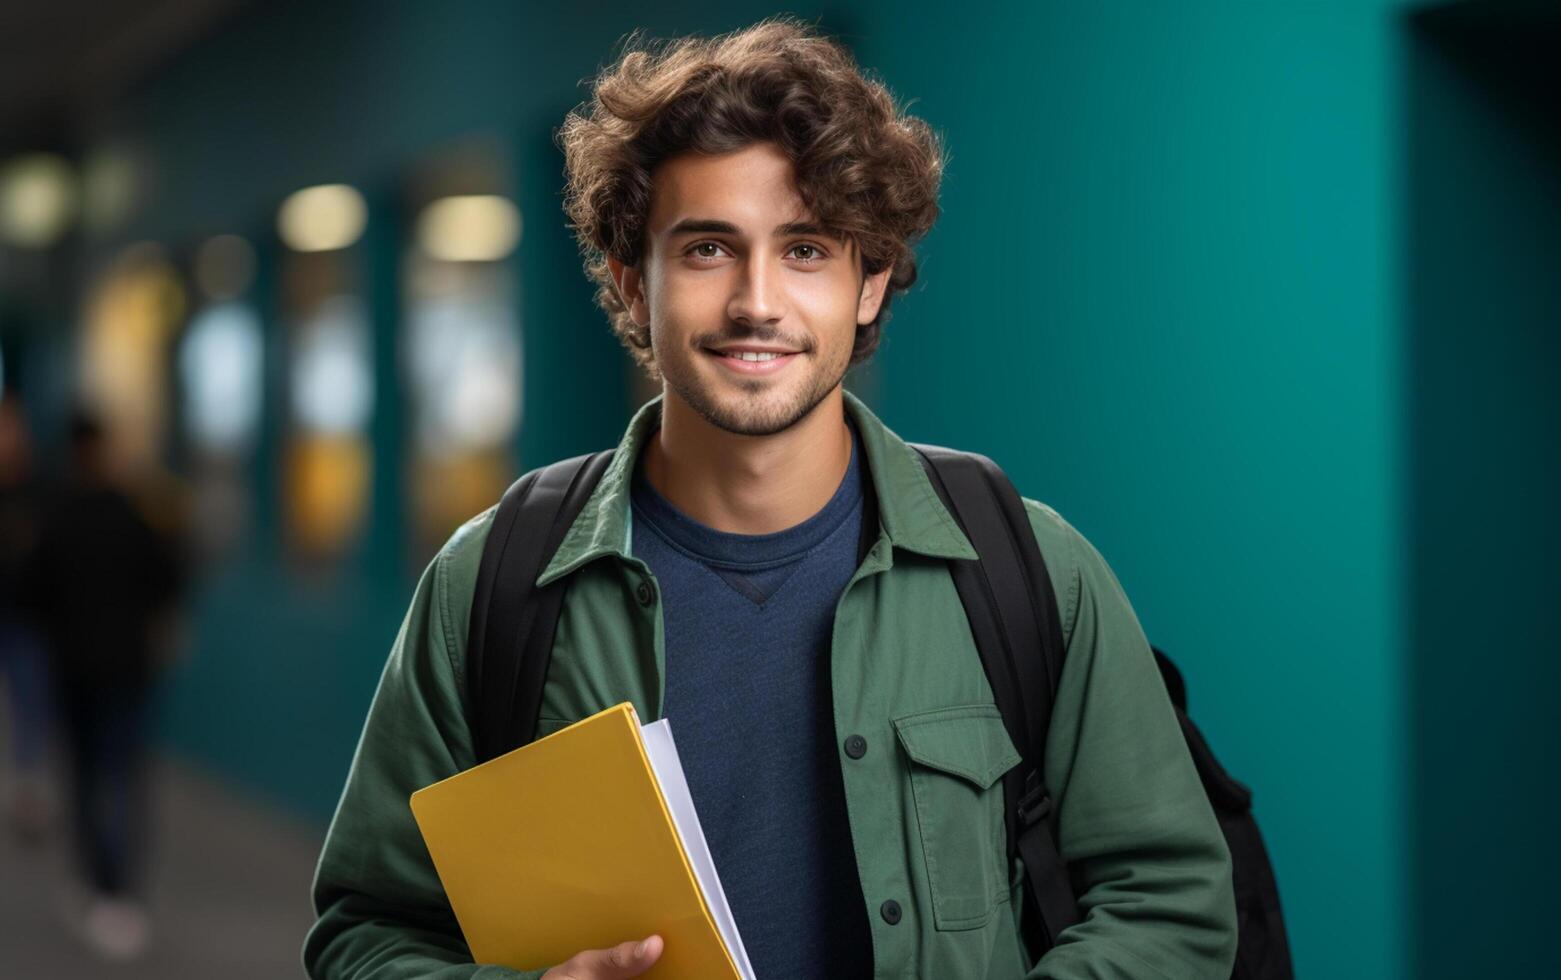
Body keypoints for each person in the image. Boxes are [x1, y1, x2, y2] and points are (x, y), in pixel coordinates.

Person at [306, 18, 1236, 979]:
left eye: (805, 250)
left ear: (868, 283)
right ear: (632, 282)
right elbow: (366, 932)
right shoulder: (490, 589)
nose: (757, 301)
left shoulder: (1029, 572)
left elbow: (1170, 905)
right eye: (709, 248)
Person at [24, 409, 185, 961]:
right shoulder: (132, 512)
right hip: (129, 669)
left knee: (88, 776)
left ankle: (98, 884)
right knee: (123, 777)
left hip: (74, 670)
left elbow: (30, 593)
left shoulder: (56, 516)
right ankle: (122, 892)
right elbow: (169, 578)